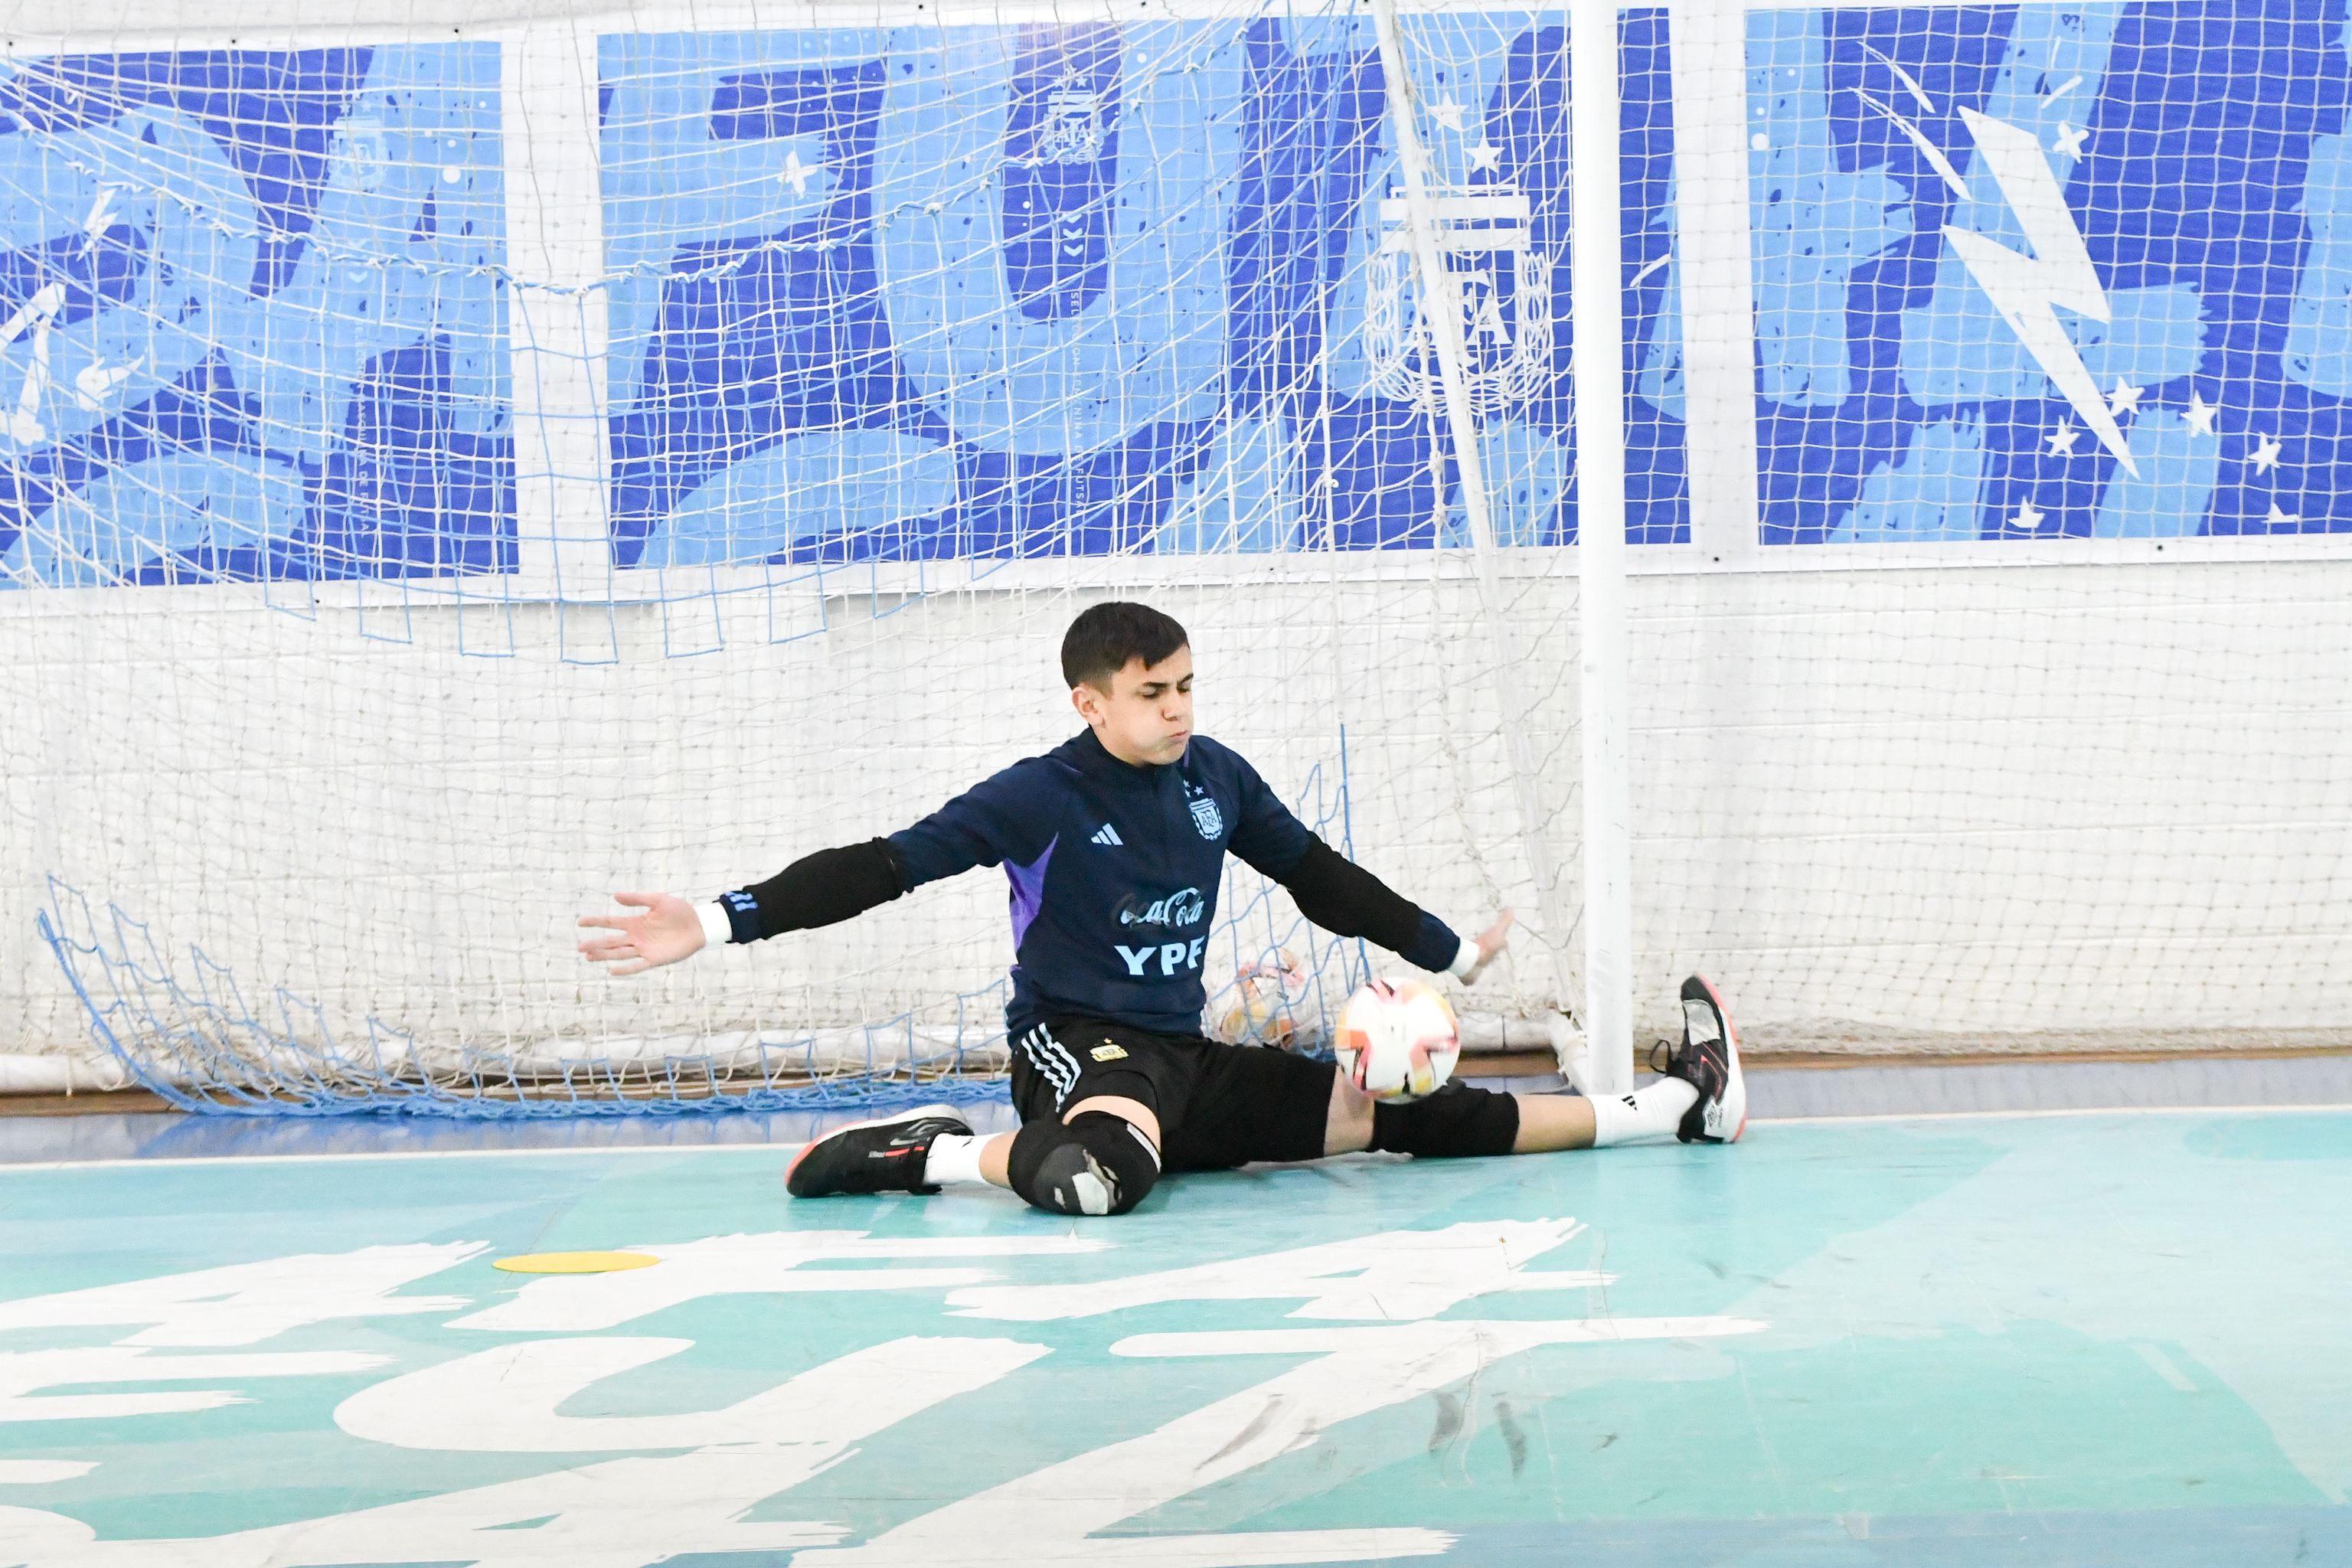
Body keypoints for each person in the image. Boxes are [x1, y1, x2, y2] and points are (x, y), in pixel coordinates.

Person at [577, 602, 1743, 1217]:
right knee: (1103, 1180)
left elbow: (1317, 874)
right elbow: (886, 864)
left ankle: (1674, 1109)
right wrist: (721, 920)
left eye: (1187, 687)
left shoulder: (1214, 778)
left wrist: (1449, 953)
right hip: (1077, 1050)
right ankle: (927, 1156)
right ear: (1092, 701)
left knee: (1425, 1121)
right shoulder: (1039, 795)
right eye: (1153, 694)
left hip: (1181, 1058)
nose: (1178, 710)